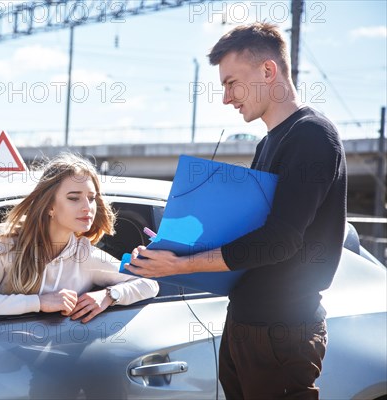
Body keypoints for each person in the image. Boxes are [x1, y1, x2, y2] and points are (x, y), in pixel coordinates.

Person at [125, 22, 346, 399]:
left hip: (283, 330)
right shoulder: (268, 143)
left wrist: (180, 266)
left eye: (231, 83)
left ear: (268, 71)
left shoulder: (311, 136)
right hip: (247, 323)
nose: (227, 98)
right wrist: (177, 244)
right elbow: (248, 231)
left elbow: (279, 241)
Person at [0, 153, 159, 323]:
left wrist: (109, 296)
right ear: (49, 206)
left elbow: (149, 284)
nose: (87, 207)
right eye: (74, 198)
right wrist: (40, 302)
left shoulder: (84, 254)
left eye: (91, 198)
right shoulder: (2, 246)